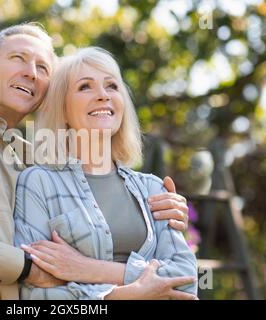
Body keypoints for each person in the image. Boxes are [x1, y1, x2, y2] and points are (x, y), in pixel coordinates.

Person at [0, 23, 191, 300]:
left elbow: (182, 276)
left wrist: (165, 213)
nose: (31, 73)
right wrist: (27, 267)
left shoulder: (34, 157)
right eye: (19, 58)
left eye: (42, 68)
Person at [14, 47, 198, 300]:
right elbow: (34, 295)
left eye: (112, 86)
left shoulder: (153, 189)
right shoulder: (38, 183)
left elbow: (186, 281)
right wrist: (123, 295)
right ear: (63, 110)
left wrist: (87, 269)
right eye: (85, 87)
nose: (103, 95)